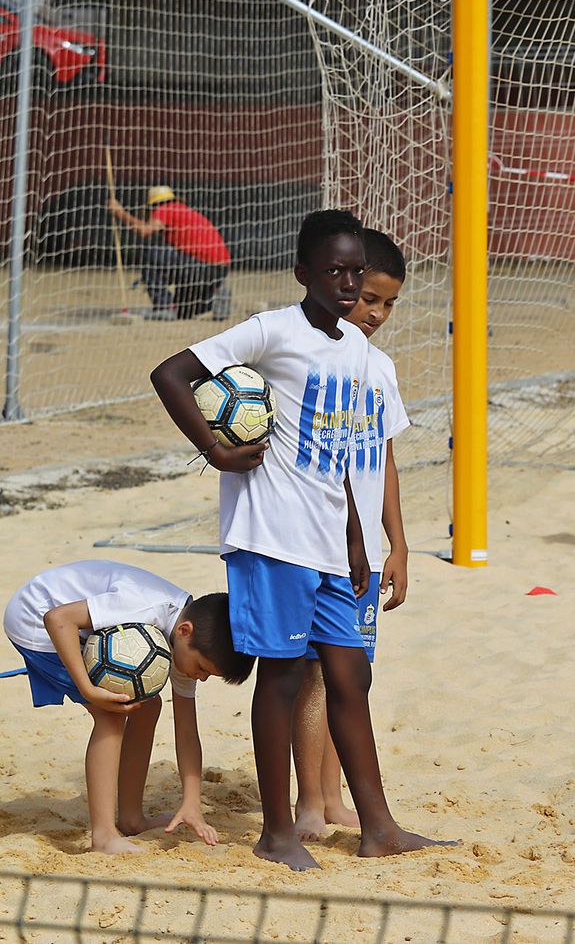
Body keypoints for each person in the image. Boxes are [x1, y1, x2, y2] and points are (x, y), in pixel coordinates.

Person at [149, 208, 448, 871]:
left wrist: (360, 540)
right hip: (270, 538)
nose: (348, 284)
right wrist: (213, 450)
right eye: (336, 271)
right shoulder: (272, 331)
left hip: (331, 547)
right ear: (303, 273)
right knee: (283, 677)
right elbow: (171, 374)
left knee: (350, 674)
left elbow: (343, 453)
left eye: (355, 272)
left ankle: (379, 826)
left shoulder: (360, 354)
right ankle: (278, 832)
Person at [291, 227, 413, 841]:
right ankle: (309, 802)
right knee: (314, 674)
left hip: (364, 550)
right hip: (311, 543)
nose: (376, 314)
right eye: (369, 298)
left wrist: (398, 541)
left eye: (388, 303)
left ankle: (337, 798)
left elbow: (383, 458)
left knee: (354, 674)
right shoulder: (304, 353)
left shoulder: (380, 368)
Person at [3, 560, 254, 854]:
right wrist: (88, 688)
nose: (200, 678)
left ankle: (132, 818)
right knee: (111, 714)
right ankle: (104, 836)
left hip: (65, 619)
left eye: (208, 676)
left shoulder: (184, 642)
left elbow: (187, 732)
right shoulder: (144, 607)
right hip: (35, 617)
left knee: (147, 706)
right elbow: (58, 618)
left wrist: (191, 802)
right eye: (202, 669)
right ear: (185, 631)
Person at [108, 186, 231, 320]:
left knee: (152, 257)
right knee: (184, 312)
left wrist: (120, 213)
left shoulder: (165, 209)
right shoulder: (183, 210)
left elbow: (145, 230)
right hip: (219, 269)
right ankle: (215, 297)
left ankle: (164, 306)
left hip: (198, 266)